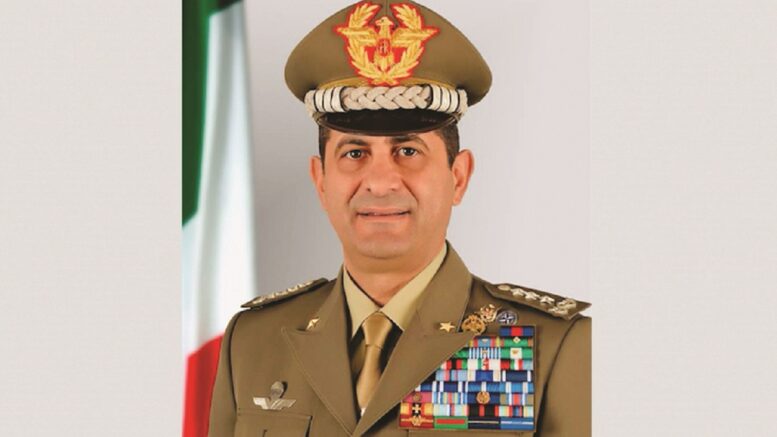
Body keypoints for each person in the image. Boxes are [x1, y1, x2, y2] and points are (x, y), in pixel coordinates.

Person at [208, 1, 591, 436]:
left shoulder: (551, 344)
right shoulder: (254, 341)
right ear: (320, 180)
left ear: (458, 176)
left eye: (408, 151)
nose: (380, 182)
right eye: (354, 153)